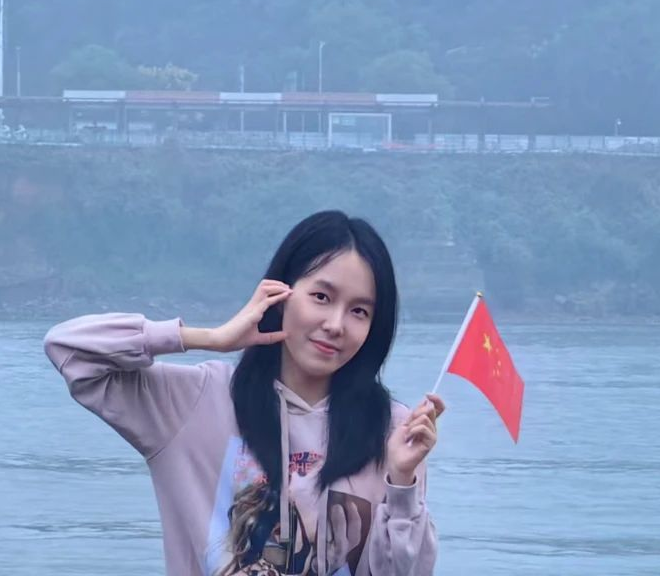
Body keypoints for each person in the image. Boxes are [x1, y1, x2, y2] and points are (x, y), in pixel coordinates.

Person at [44, 210, 445, 576]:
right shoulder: (197, 401)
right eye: (321, 297)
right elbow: (69, 349)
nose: (336, 324)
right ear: (280, 294)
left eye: (359, 311)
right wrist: (208, 338)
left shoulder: (391, 430)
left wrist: (403, 482)